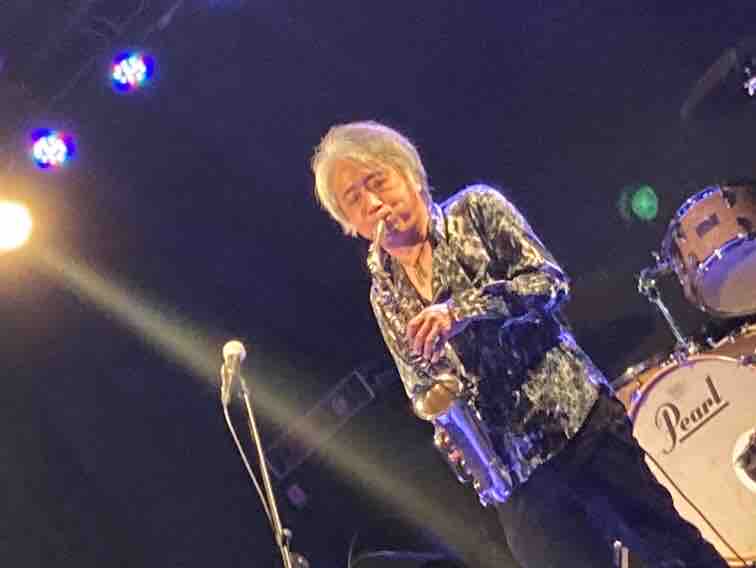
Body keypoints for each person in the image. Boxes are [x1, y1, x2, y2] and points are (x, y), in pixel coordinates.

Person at [310, 120, 728, 568]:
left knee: (673, 553)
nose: (373, 204)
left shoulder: (476, 209)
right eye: (354, 199)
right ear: (349, 224)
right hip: (515, 473)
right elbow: (420, 385)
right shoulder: (384, 293)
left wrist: (460, 310)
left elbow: (550, 283)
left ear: (410, 174)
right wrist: (452, 435)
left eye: (378, 182)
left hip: (576, 423)